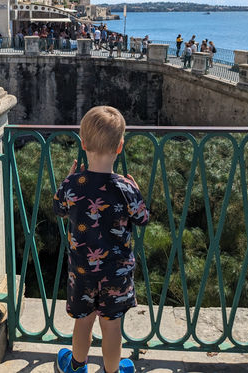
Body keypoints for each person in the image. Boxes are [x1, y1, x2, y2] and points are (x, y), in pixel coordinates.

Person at [53, 106, 149, 373]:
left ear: (83, 143)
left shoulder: (73, 184)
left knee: (83, 322)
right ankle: (112, 371)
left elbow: (59, 208)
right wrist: (137, 192)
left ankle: (76, 366)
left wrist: (68, 180)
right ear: (120, 147)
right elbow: (142, 218)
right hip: (116, 273)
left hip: (82, 271)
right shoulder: (126, 187)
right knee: (111, 326)